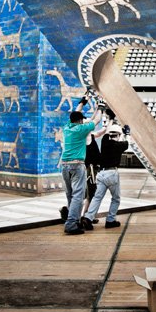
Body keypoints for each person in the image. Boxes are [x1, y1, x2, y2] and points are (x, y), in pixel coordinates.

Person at [61, 98, 103, 235]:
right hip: (77, 165)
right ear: (80, 121)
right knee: (78, 195)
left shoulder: (67, 127)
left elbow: (75, 114)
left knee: (70, 195)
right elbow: (97, 120)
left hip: (64, 165)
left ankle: (73, 219)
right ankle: (71, 224)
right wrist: (101, 107)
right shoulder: (81, 129)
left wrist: (82, 102)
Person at [82, 123, 129, 229]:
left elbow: (107, 133)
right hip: (112, 173)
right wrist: (126, 133)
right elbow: (126, 142)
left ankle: (88, 218)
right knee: (116, 198)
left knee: (97, 197)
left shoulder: (104, 141)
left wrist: (113, 129)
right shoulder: (120, 146)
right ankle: (110, 220)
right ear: (118, 135)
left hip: (101, 174)